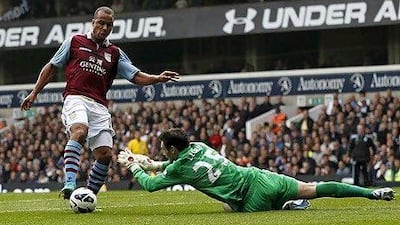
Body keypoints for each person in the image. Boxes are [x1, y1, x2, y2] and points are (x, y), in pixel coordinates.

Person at [20, 6, 179, 199]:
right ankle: (69, 183)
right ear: (93, 22)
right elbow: (52, 67)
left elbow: (135, 76)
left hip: (99, 106)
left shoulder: (115, 53)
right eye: (101, 23)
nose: (104, 28)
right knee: (79, 130)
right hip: (75, 97)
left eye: (109, 25)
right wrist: (34, 93)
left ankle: (88, 196)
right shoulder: (74, 41)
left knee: (105, 154)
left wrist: (157, 78)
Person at [118, 128, 395, 212]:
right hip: (258, 174)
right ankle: (371, 194)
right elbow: (169, 165)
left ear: (173, 150)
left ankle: (288, 206)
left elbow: (151, 185)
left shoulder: (179, 167)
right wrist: (148, 162)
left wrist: (133, 166)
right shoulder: (198, 146)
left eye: (163, 147)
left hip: (250, 196)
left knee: (231, 210)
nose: (162, 150)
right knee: (315, 188)